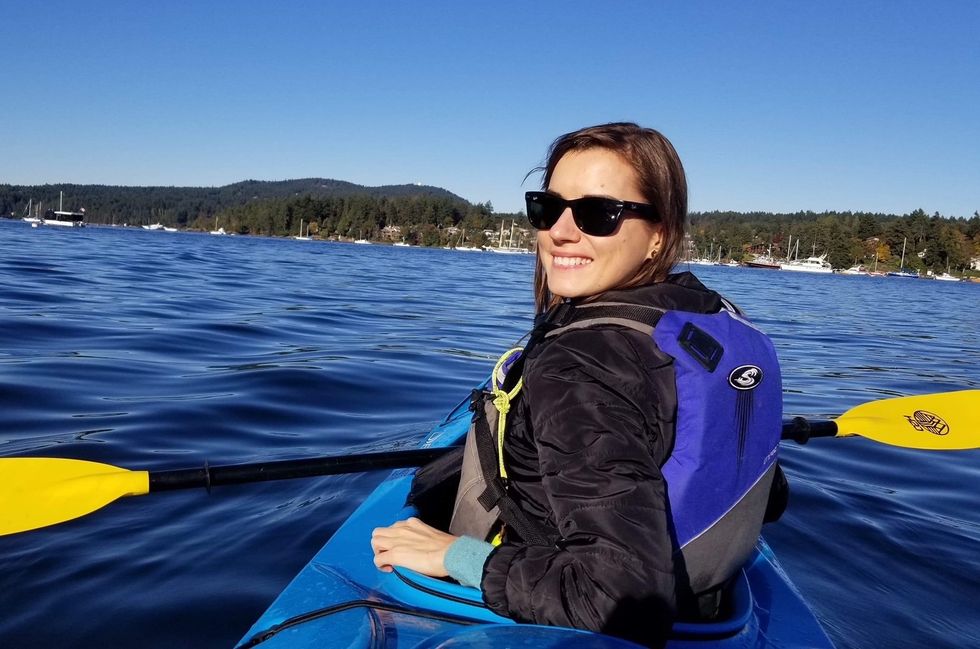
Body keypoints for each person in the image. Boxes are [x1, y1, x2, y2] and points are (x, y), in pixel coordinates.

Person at [371, 122, 783, 648]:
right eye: (548, 208)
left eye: (597, 214)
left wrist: (453, 555)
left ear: (659, 232)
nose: (561, 231)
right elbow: (772, 496)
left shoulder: (578, 368)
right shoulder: (706, 321)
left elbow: (618, 600)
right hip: (710, 608)